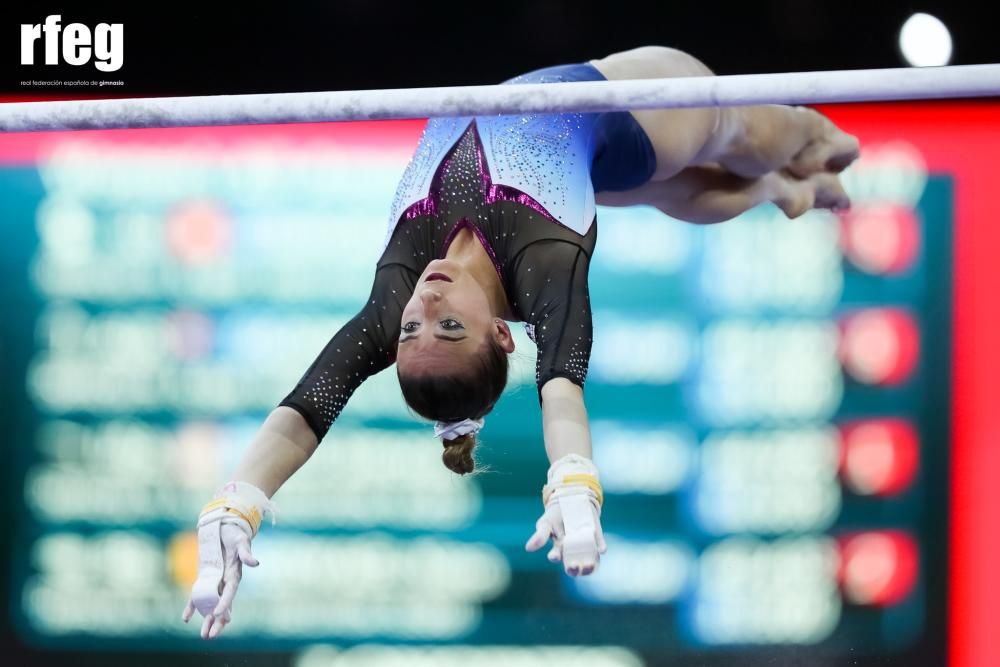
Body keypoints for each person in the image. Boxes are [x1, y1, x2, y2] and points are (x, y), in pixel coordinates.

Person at [181, 45, 859, 639]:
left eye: (413, 326)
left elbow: (306, 408)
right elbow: (561, 388)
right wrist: (573, 484)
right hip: (622, 112)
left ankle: (778, 189)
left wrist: (236, 502)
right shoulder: (543, 263)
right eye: (450, 325)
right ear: (503, 333)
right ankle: (786, 165)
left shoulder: (401, 287)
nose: (425, 301)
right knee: (747, 123)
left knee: (661, 191)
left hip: (577, 143)